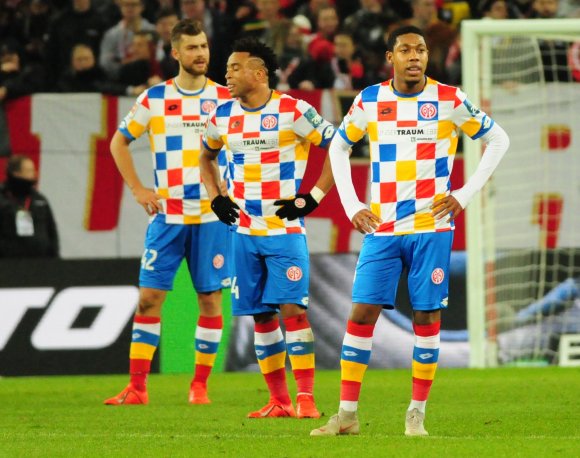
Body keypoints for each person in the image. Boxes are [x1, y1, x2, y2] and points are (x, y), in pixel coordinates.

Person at [310, 25, 510, 436]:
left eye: (420, 49)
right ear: (391, 57)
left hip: (431, 226)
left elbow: (498, 140)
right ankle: (346, 415)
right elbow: (339, 146)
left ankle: (416, 412)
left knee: (426, 316)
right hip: (381, 228)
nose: (415, 56)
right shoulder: (370, 100)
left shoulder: (449, 99)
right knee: (361, 313)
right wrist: (352, 205)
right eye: (405, 50)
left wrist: (465, 194)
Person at [200, 37, 335, 419]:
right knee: (260, 315)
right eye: (226, 68)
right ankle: (279, 400)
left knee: (293, 311)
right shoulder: (222, 116)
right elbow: (205, 156)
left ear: (259, 73)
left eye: (234, 68)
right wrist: (216, 197)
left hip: (284, 232)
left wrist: (313, 198)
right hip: (242, 233)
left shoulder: (294, 110)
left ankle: (306, 398)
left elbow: (338, 147)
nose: (226, 74)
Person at [104, 19, 232, 406]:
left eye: (204, 47)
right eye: (192, 48)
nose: (201, 54)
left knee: (210, 301)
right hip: (168, 218)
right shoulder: (153, 100)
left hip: (212, 218)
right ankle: (138, 388)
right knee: (148, 301)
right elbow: (118, 143)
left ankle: (199, 387)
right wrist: (138, 188)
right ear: (175, 53)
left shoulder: (228, 98)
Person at [0, 155, 59, 258]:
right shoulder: (2, 198)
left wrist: (55, 256)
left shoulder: (39, 199)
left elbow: (51, 230)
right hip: (9, 264)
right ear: (16, 173)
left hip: (41, 262)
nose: (34, 174)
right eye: (29, 171)